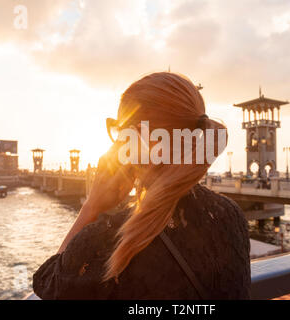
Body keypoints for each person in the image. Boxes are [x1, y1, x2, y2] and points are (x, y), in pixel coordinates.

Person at [32, 72, 251, 300]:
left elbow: (48, 284)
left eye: (120, 132)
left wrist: (91, 206)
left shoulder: (106, 241)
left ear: (134, 137)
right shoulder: (230, 214)